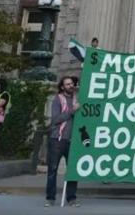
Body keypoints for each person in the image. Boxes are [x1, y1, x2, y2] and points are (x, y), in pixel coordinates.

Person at [45, 76, 80, 207]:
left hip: (72, 140)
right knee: (52, 169)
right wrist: (72, 111)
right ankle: (50, 198)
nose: (71, 86)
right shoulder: (57, 99)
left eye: (72, 83)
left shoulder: (77, 99)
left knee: (72, 170)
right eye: (68, 84)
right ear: (62, 87)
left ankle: (71, 198)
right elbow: (56, 119)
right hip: (57, 140)